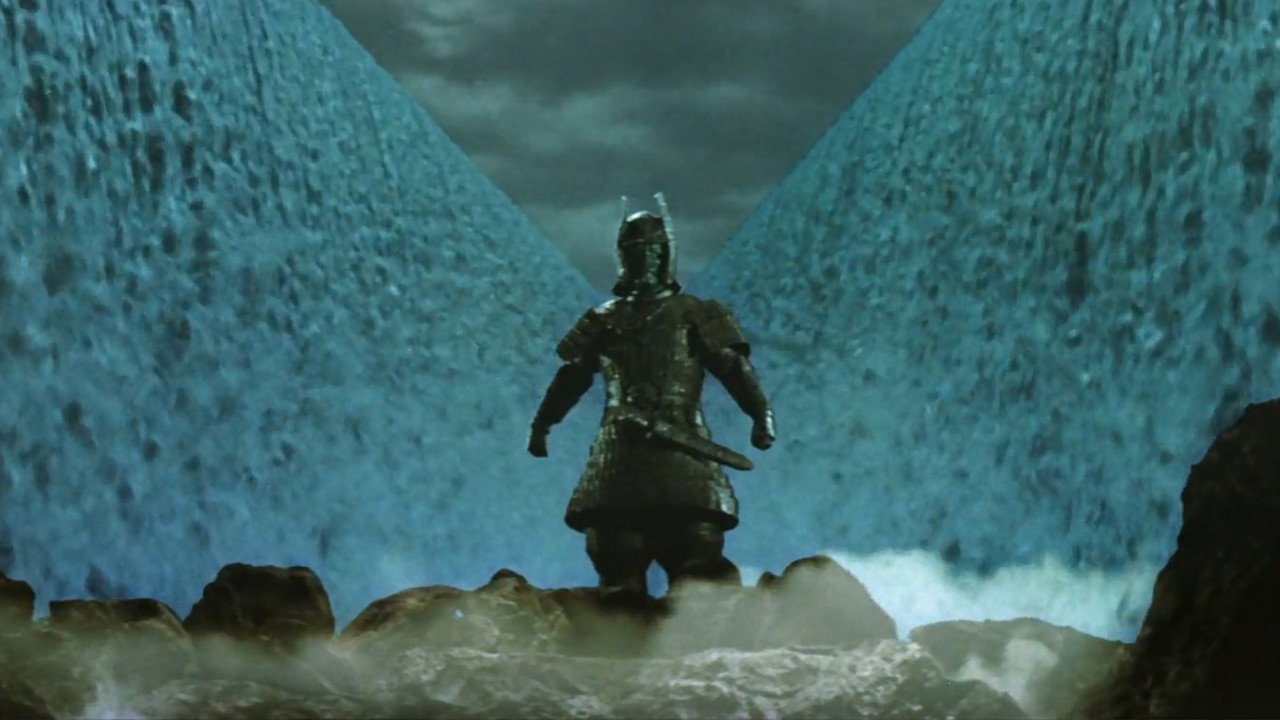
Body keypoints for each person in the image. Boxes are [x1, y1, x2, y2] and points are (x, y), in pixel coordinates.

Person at [527, 194, 775, 596]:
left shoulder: (695, 313)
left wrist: (760, 414)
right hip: (618, 456)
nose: (644, 260)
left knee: (698, 556)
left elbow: (732, 367)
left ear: (666, 257)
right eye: (635, 252)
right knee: (616, 560)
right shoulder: (603, 320)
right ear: (623, 257)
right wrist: (543, 424)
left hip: (683, 450)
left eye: (653, 252)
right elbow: (572, 377)